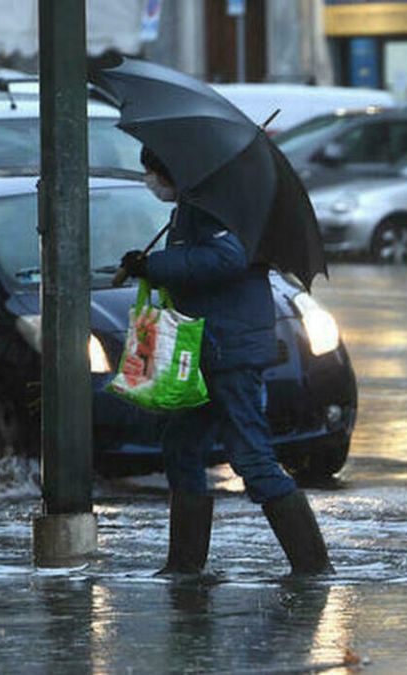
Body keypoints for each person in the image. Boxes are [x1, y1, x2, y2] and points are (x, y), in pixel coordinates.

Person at [120, 146, 333, 577]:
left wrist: (157, 265)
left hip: (229, 348)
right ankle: (184, 564)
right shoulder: (191, 206)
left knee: (251, 457)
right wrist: (147, 264)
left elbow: (227, 258)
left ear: (171, 169)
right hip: (204, 348)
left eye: (153, 172)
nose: (150, 181)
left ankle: (312, 566)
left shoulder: (216, 206)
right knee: (181, 446)